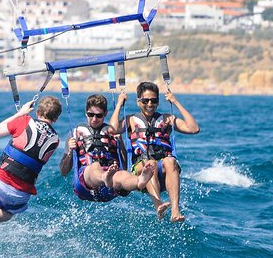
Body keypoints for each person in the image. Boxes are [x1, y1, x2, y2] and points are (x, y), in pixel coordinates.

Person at [0, 96, 62, 250]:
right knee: (8, 213)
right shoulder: (56, 140)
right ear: (56, 118)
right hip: (19, 192)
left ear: (38, 111)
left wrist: (20, 113)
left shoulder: (24, 120)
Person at [109, 82, 199, 222]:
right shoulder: (131, 120)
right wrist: (120, 104)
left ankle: (175, 210)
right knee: (149, 163)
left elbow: (194, 128)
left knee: (170, 161)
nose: (150, 104)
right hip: (140, 170)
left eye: (154, 100)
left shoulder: (167, 119)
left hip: (164, 170)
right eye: (145, 100)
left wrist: (176, 102)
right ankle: (158, 204)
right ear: (138, 101)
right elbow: (113, 129)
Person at [60, 94, 154, 202]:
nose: (94, 119)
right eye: (91, 115)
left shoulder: (111, 132)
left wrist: (120, 144)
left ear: (105, 114)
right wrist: (70, 152)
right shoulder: (75, 133)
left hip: (109, 187)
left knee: (121, 175)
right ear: (86, 113)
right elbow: (64, 171)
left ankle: (139, 181)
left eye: (99, 116)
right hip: (86, 184)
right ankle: (105, 177)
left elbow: (124, 164)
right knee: (95, 166)